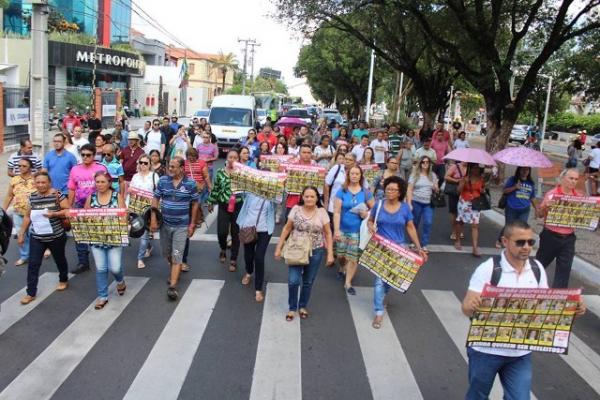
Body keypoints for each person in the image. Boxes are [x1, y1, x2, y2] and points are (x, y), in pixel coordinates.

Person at [461, 220, 586, 399]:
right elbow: (466, 307)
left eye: (530, 242)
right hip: (486, 352)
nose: (526, 247)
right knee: (478, 396)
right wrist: (472, 306)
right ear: (505, 241)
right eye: (520, 242)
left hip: (520, 353)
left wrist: (572, 310)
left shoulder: (537, 269)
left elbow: (546, 310)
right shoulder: (488, 269)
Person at [368, 176, 426, 329]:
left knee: (390, 280)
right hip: (380, 247)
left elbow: (410, 227)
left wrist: (419, 248)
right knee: (379, 281)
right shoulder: (378, 204)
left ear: (400, 192)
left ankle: (381, 298)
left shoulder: (405, 208)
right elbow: (370, 220)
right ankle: (379, 311)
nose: (390, 192)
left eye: (394, 189)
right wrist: (370, 226)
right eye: (388, 189)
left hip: (399, 249)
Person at [275, 186, 334, 321]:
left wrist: (330, 253)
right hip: (296, 249)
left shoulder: (322, 212)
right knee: (293, 280)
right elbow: (286, 229)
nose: (309, 199)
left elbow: (328, 233)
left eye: (312, 196)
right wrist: (279, 248)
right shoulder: (296, 210)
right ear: (302, 197)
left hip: (316, 250)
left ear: (317, 198)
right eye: (306, 196)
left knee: (308, 281)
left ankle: (302, 306)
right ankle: (292, 307)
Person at [17, 172, 71, 305]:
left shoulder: (57, 195)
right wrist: (22, 233)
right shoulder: (32, 197)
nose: (41, 185)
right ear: (34, 184)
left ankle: (63, 279)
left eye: (43, 182)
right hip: (37, 237)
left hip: (56, 236)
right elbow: (27, 216)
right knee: (33, 264)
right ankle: (31, 293)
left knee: (60, 260)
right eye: (38, 182)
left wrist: (54, 214)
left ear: (49, 183)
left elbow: (68, 210)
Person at [150, 157, 199, 301]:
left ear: (182, 168)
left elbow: (195, 204)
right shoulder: (163, 181)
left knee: (177, 254)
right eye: (169, 166)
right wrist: (153, 218)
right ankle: (173, 271)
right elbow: (155, 199)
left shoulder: (190, 184)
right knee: (167, 253)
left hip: (181, 226)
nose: (170, 169)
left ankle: (173, 286)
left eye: (173, 167)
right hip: (164, 224)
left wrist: (192, 224)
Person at [84, 171, 127, 310]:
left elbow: (124, 216)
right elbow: (85, 216)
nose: (100, 184)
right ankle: (102, 296)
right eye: (97, 182)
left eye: (103, 182)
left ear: (109, 183)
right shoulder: (91, 197)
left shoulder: (117, 196)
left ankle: (120, 280)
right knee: (101, 268)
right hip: (97, 238)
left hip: (114, 237)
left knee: (115, 267)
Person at [536, 168, 582, 288]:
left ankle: (558, 297)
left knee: (564, 270)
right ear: (562, 179)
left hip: (569, 237)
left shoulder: (579, 197)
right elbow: (539, 215)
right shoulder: (552, 194)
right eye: (571, 178)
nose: (573, 181)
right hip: (550, 235)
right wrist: (545, 207)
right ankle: (528, 289)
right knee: (540, 265)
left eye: (576, 179)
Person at [67, 143, 108, 274]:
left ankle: (103, 260)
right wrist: (69, 207)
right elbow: (72, 189)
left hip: (97, 205)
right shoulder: (75, 169)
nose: (85, 157)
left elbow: (107, 187)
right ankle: (83, 262)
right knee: (80, 235)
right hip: (80, 204)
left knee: (99, 234)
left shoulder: (101, 168)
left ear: (94, 155)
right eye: (83, 155)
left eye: (88, 155)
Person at [333, 166, 374, 294]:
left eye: (357, 174)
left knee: (353, 258)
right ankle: (341, 266)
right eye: (352, 173)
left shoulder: (366, 193)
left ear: (361, 176)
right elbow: (337, 212)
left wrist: (366, 214)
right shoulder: (342, 191)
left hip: (357, 231)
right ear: (348, 175)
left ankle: (348, 282)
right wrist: (336, 230)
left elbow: (375, 210)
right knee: (340, 255)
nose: (355, 176)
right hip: (342, 228)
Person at [207, 149, 243, 272]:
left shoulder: (243, 173)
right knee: (222, 232)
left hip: (238, 207)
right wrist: (211, 201)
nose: (232, 159)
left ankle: (233, 259)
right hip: (224, 205)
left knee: (235, 234)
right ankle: (223, 248)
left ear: (238, 159)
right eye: (230, 157)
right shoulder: (220, 172)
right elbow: (216, 188)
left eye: (235, 157)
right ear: (227, 158)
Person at [238, 193, 276, 303]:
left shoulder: (272, 195)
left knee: (259, 257)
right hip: (248, 228)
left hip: (265, 230)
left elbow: (280, 199)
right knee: (248, 255)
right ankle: (249, 272)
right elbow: (238, 190)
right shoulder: (249, 193)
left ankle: (258, 288)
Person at [128, 154, 159, 269]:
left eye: (145, 163)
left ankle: (140, 258)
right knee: (138, 230)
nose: (143, 165)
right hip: (135, 207)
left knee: (144, 235)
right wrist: (130, 191)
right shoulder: (135, 176)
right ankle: (149, 247)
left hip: (148, 209)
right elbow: (130, 190)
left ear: (150, 164)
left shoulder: (154, 176)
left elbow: (158, 192)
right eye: (141, 162)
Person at [3, 158, 35, 266]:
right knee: (21, 234)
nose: (21, 168)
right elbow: (9, 196)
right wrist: (3, 210)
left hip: (33, 213)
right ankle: (24, 256)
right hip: (18, 212)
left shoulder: (35, 179)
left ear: (30, 167)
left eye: (24, 166)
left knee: (34, 234)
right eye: (19, 166)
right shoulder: (15, 180)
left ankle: (38, 253)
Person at [497, 167, 538, 248]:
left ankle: (516, 243)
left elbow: (532, 197)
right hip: (511, 208)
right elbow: (505, 191)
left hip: (524, 209)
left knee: (521, 227)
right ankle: (500, 240)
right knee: (509, 226)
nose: (525, 172)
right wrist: (515, 187)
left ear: (529, 171)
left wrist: (537, 208)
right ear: (519, 170)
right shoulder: (512, 179)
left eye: (527, 170)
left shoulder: (531, 183)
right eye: (523, 170)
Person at [406, 156, 439, 252]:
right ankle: (413, 242)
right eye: (423, 162)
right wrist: (409, 203)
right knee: (415, 222)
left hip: (428, 203)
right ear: (420, 163)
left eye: (427, 162)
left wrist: (435, 187)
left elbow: (436, 190)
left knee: (428, 222)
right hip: (416, 202)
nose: (425, 164)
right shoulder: (414, 175)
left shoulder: (432, 175)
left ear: (429, 164)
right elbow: (409, 189)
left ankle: (424, 244)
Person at [455, 163, 485, 257]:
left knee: (475, 225)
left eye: (477, 168)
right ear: (470, 169)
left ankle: (475, 248)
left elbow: (482, 190)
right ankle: (458, 240)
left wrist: (483, 191)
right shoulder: (465, 178)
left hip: (475, 204)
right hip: (464, 202)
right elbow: (458, 191)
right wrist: (463, 182)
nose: (476, 170)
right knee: (460, 222)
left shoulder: (481, 179)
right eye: (474, 168)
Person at [284, 144, 317, 221]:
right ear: (299, 153)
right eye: (304, 152)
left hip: (309, 203)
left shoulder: (316, 167)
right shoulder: (291, 166)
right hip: (292, 202)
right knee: (289, 227)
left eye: (308, 153)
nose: (306, 155)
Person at [445, 161, 467, 242]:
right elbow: (446, 177)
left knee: (463, 213)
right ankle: (454, 231)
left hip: (465, 193)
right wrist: (457, 180)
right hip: (454, 192)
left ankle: (460, 230)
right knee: (454, 212)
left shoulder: (470, 168)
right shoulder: (455, 166)